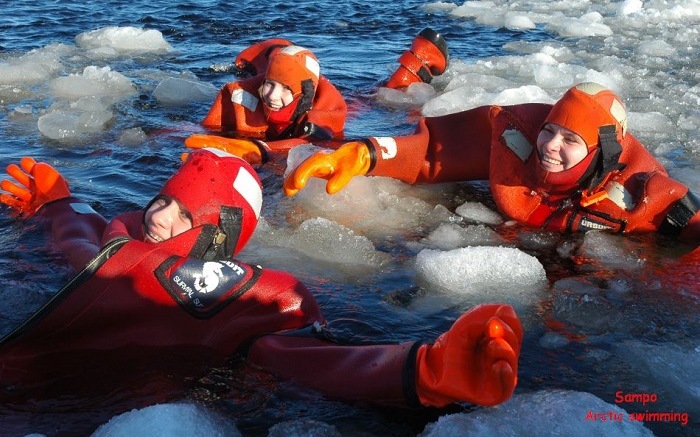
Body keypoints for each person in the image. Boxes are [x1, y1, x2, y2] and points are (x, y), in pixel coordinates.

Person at [0, 149, 521, 410]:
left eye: (185, 216)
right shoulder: (120, 235)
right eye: (163, 200)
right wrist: (58, 202)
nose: (160, 218)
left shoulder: (232, 296)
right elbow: (81, 238)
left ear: (216, 240)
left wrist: (419, 371)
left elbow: (311, 358)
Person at [283, 82, 700, 243]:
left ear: (603, 153)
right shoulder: (516, 135)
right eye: (551, 130)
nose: (550, 145)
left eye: (571, 140)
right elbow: (433, 152)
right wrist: (367, 153)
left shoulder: (644, 195)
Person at [185, 29, 449, 165]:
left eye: (284, 89)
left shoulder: (325, 111)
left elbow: (312, 145)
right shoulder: (241, 93)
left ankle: (410, 70)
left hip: (325, 108)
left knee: (366, 101)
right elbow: (204, 129)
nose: (271, 97)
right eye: (269, 85)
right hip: (283, 71)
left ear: (303, 94)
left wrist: (262, 151)